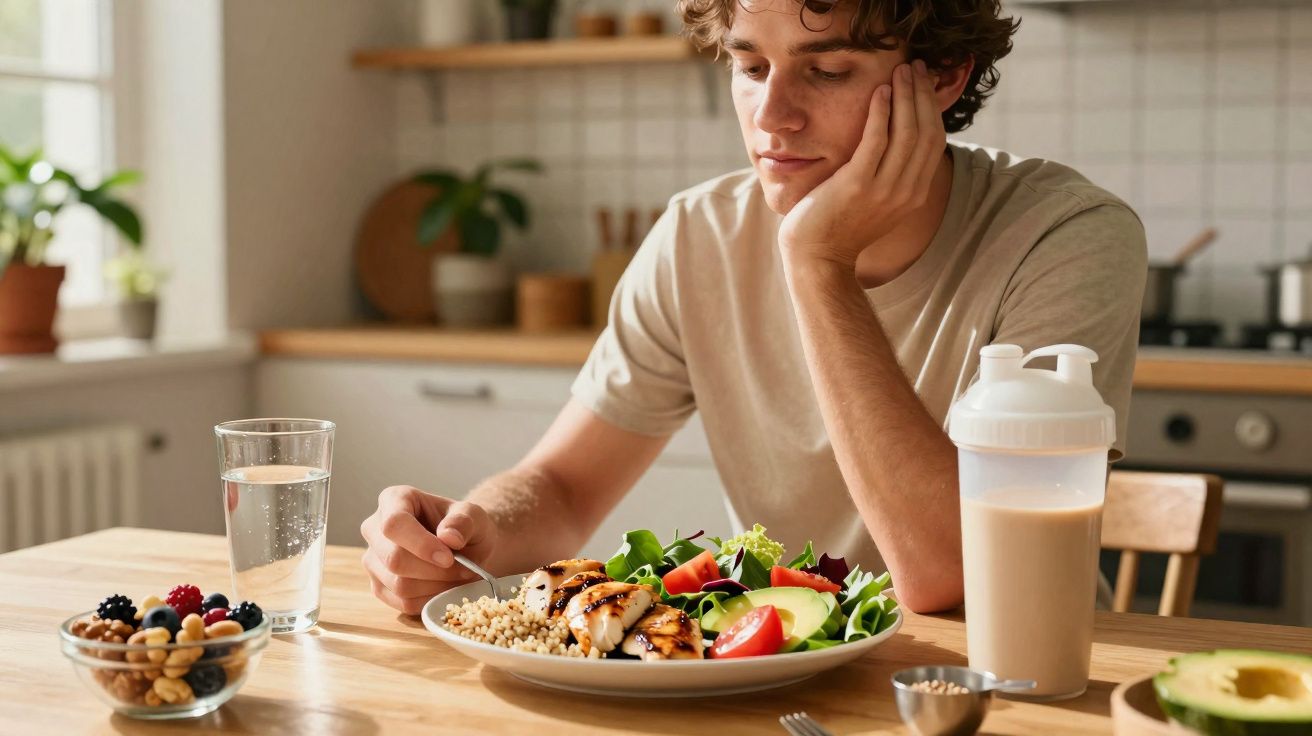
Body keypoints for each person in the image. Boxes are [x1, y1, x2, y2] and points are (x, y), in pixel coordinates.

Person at [360, 0, 1146, 615]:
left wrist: (818, 262)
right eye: (749, 64)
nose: (772, 116)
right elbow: (563, 490)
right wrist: (473, 533)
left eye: (828, 69)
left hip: (1014, 685)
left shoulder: (1067, 236)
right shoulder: (700, 233)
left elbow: (954, 574)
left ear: (942, 75)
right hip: (784, 685)